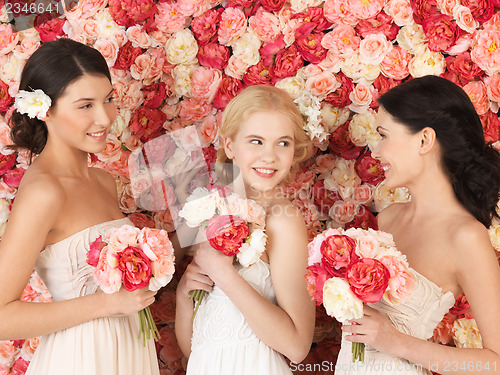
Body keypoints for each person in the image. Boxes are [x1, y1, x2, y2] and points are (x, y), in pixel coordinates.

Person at [0, 38, 159, 374]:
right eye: (85, 105)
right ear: (45, 110)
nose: (104, 118)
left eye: (109, 100)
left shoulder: (103, 181)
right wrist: (105, 304)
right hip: (81, 358)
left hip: (131, 350)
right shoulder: (44, 192)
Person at [338, 75, 500, 374]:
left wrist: (397, 342)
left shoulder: (466, 237)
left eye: (384, 135)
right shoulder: (388, 218)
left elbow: (496, 362)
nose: (376, 151)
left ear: (424, 140)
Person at [175, 85, 316, 374]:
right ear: (229, 146)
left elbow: (297, 346)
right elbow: (196, 349)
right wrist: (183, 294)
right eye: (256, 141)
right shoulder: (212, 209)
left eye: (283, 143)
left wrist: (224, 274)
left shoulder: (282, 220)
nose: (269, 157)